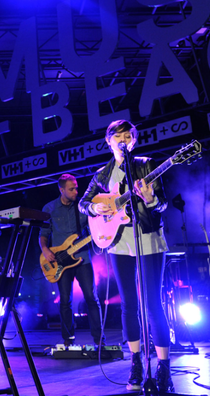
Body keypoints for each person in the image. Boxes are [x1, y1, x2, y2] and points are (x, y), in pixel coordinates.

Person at [78, 120, 173, 393]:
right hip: (119, 243)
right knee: (129, 304)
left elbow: (163, 203)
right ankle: (136, 363)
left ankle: (163, 367)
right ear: (109, 141)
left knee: (152, 302)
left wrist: (151, 199)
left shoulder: (146, 165)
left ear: (134, 140)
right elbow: (84, 203)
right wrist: (96, 207)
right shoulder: (102, 174)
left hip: (148, 239)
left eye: (128, 135)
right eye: (118, 135)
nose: (124, 139)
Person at [39, 173, 103, 347]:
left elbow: (94, 229)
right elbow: (43, 235)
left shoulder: (82, 206)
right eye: (71, 189)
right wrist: (45, 250)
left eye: (76, 187)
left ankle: (99, 339)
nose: (76, 191)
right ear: (61, 190)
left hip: (82, 259)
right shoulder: (49, 208)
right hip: (59, 262)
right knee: (65, 301)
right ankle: (68, 339)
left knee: (91, 298)